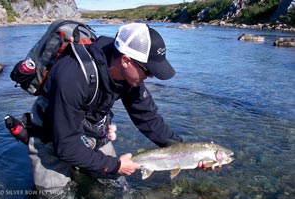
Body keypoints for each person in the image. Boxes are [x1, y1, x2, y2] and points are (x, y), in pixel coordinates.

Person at [28, 23, 207, 195]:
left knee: (115, 187)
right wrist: (115, 165)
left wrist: (186, 152)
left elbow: (148, 118)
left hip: (93, 128)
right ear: (126, 60)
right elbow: (66, 146)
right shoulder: (71, 77)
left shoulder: (130, 76)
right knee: (55, 194)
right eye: (148, 70)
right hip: (52, 134)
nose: (152, 75)